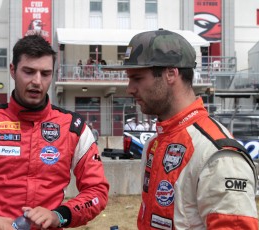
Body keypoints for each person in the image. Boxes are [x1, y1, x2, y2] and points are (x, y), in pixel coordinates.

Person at [0, 34, 109, 230]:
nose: (37, 81)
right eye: (29, 72)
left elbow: (97, 191)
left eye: (45, 73)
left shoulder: (74, 127)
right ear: (13, 70)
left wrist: (60, 215)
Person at [105, 29, 258, 229]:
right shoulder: (155, 143)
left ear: (170, 74)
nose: (129, 89)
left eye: (137, 78)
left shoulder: (217, 154)